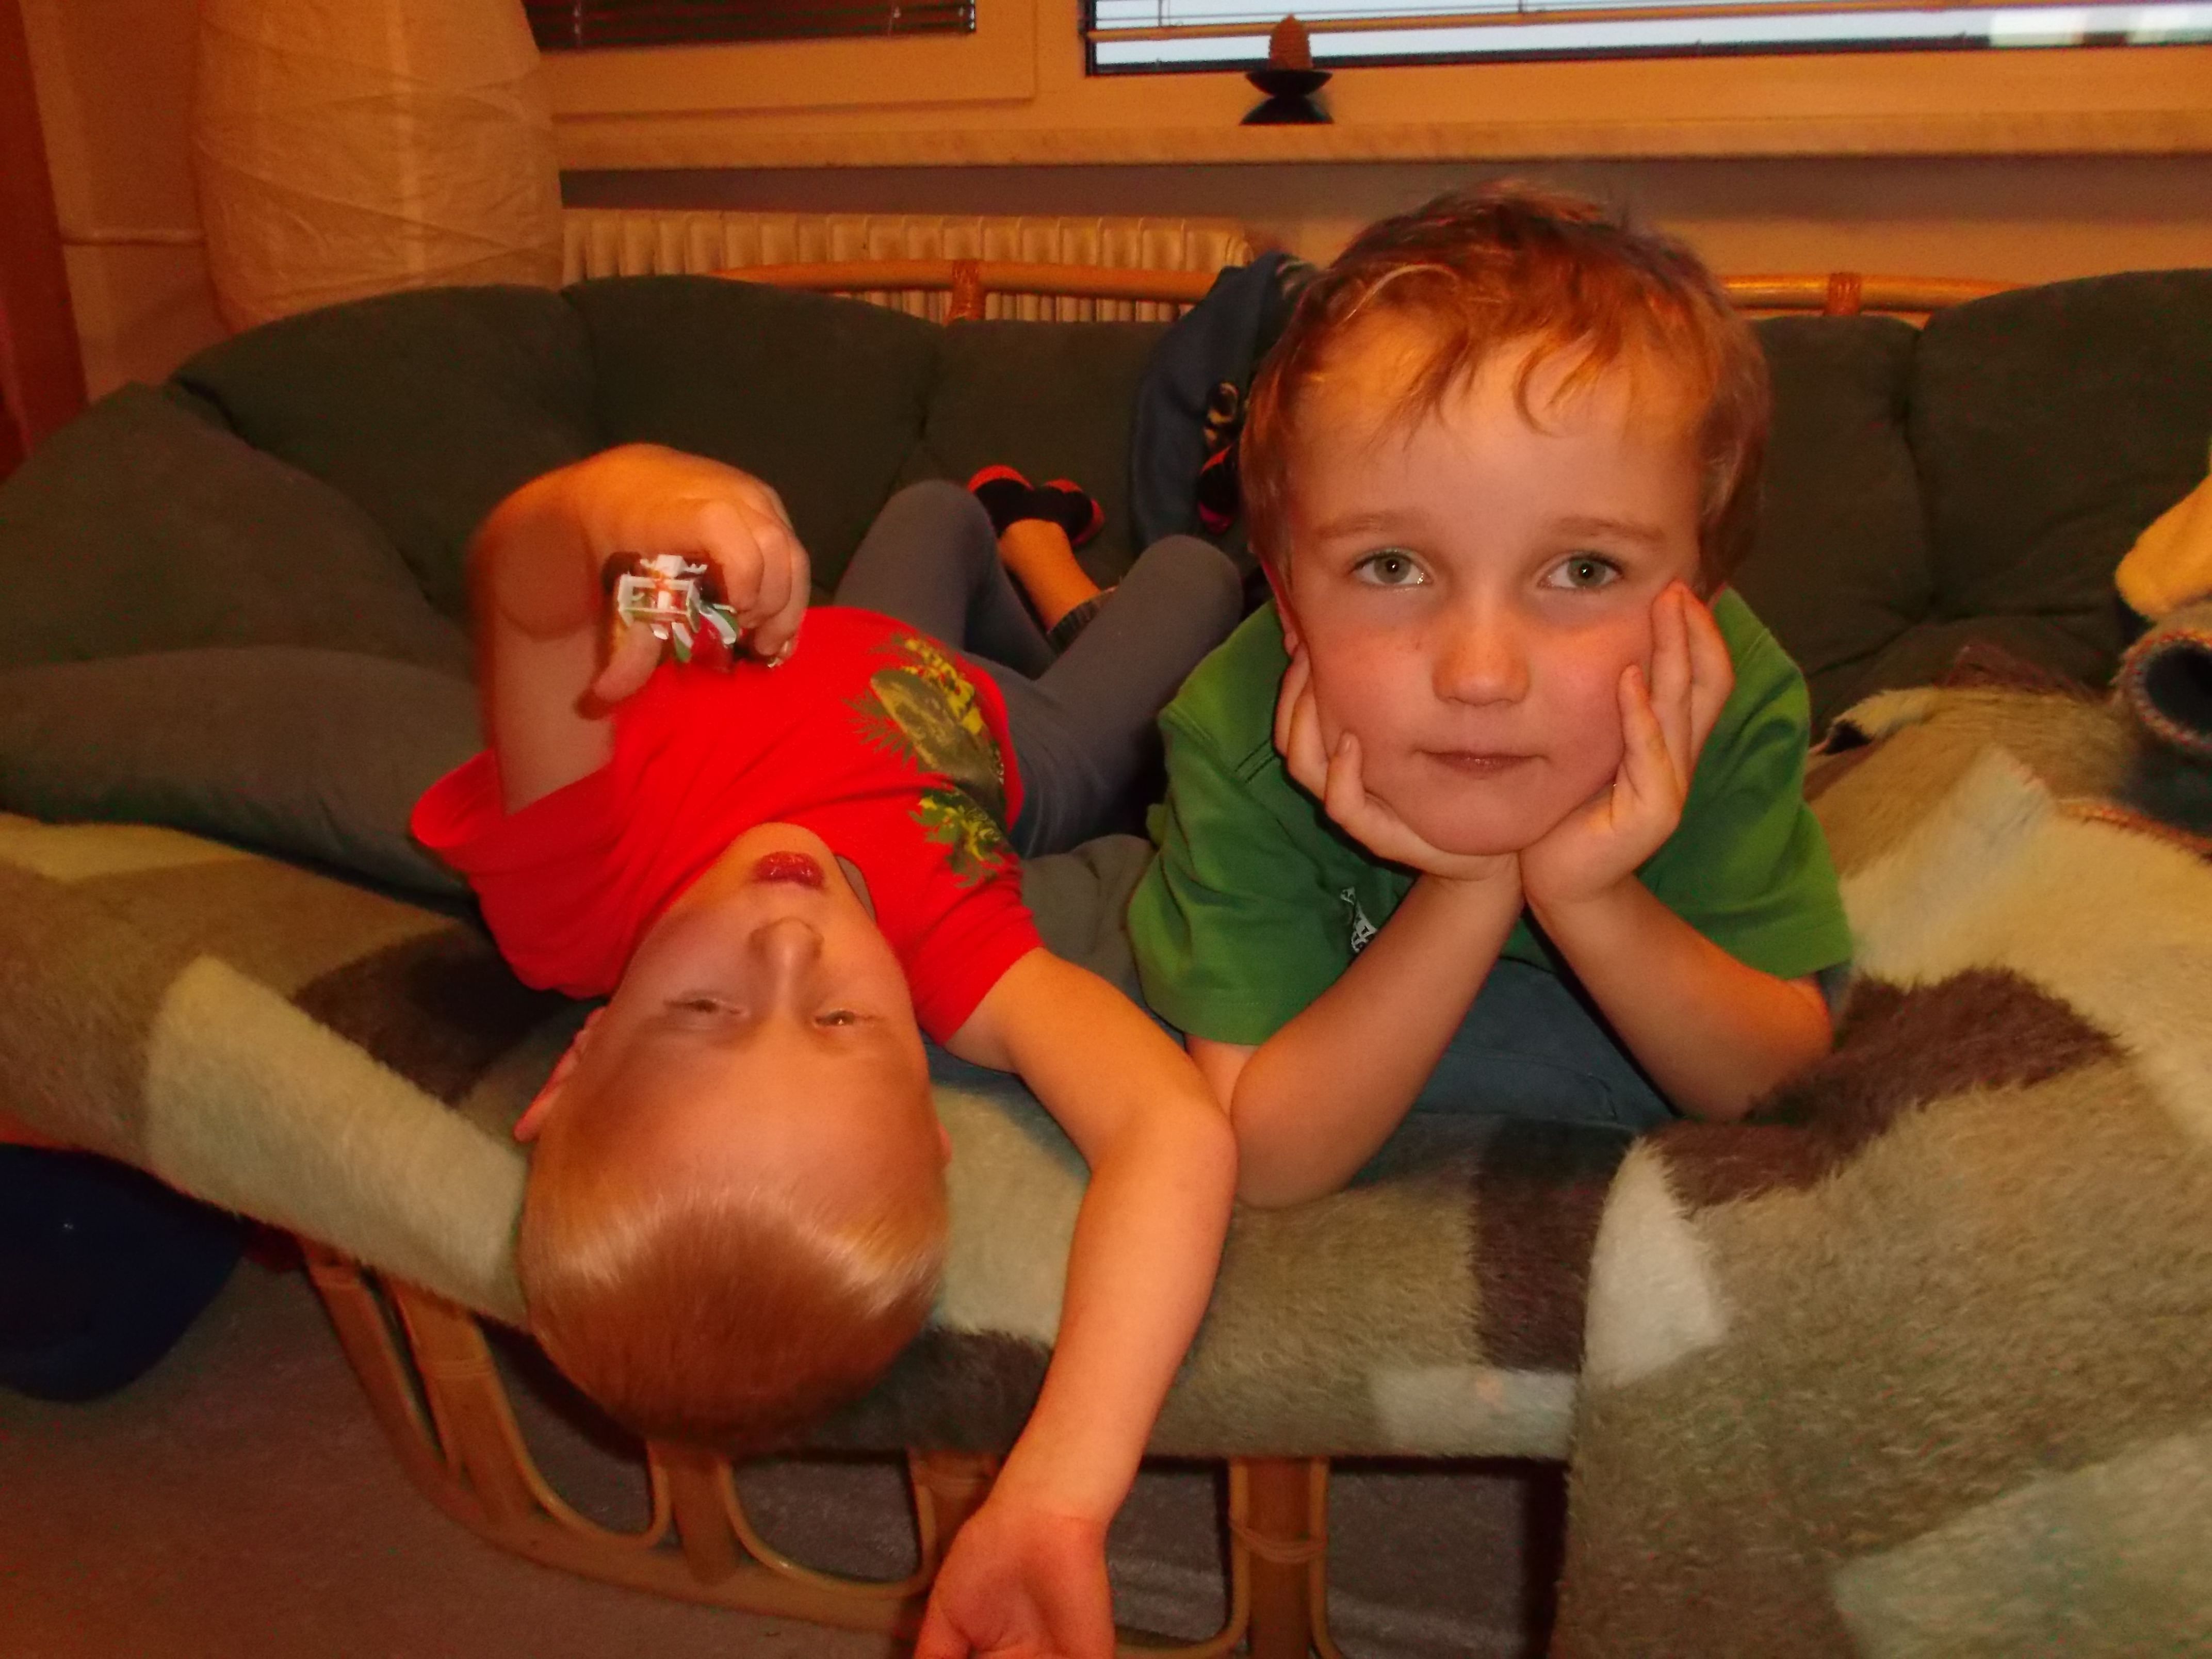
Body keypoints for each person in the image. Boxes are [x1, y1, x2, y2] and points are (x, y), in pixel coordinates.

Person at [410, 449, 1241, 1658]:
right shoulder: (955, 957)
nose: (789, 940)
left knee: (930, 508)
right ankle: (1059, 592)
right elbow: (1170, 1132)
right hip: (1009, 734)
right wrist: (1062, 1491)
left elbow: (527, 592)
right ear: (929, 1106)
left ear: (579, 1057)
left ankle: (1007, 540)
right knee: (1196, 577)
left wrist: (631, 512)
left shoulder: (573, 891)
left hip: (780, 633)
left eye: (705, 1009)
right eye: (843, 1023)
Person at [1127, 183, 1854, 1208]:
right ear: (1287, 606)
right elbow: (1264, 1158)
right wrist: (1469, 888)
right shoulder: (1235, 731)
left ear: (1697, 604)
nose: (1479, 675)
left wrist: (1587, 895)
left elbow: (1775, 1091)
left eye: (1583, 571)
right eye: (1391, 567)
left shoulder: (1721, 705)